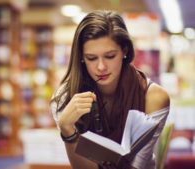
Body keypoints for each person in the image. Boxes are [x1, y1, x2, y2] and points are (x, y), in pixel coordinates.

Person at [50, 10, 170, 169]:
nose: (101, 67)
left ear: (125, 51)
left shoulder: (153, 97)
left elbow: (137, 166)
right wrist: (67, 130)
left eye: (110, 56)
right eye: (91, 58)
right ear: (81, 57)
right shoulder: (65, 98)